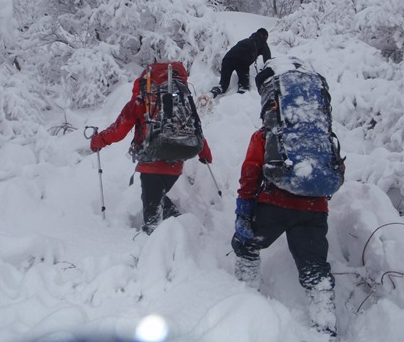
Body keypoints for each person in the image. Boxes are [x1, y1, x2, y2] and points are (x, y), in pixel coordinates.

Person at [230, 70, 339, 338]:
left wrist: (243, 209)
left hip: (275, 205)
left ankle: (245, 297)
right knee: (314, 266)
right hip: (315, 210)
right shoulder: (320, 134)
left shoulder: (268, 134)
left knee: (246, 244)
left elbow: (250, 172)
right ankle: (325, 324)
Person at [89, 63, 213, 235]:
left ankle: (158, 248)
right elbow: (195, 129)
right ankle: (180, 229)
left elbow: (118, 129)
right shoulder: (182, 101)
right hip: (176, 161)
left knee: (152, 217)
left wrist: (98, 141)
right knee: (157, 199)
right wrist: (205, 154)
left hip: (151, 163)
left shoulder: (143, 100)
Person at [210, 28, 271, 97]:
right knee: (244, 88)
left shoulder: (247, 40)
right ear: (265, 36)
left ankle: (210, 95)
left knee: (223, 86)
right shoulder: (262, 42)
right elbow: (268, 60)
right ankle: (237, 104)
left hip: (227, 58)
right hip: (242, 60)